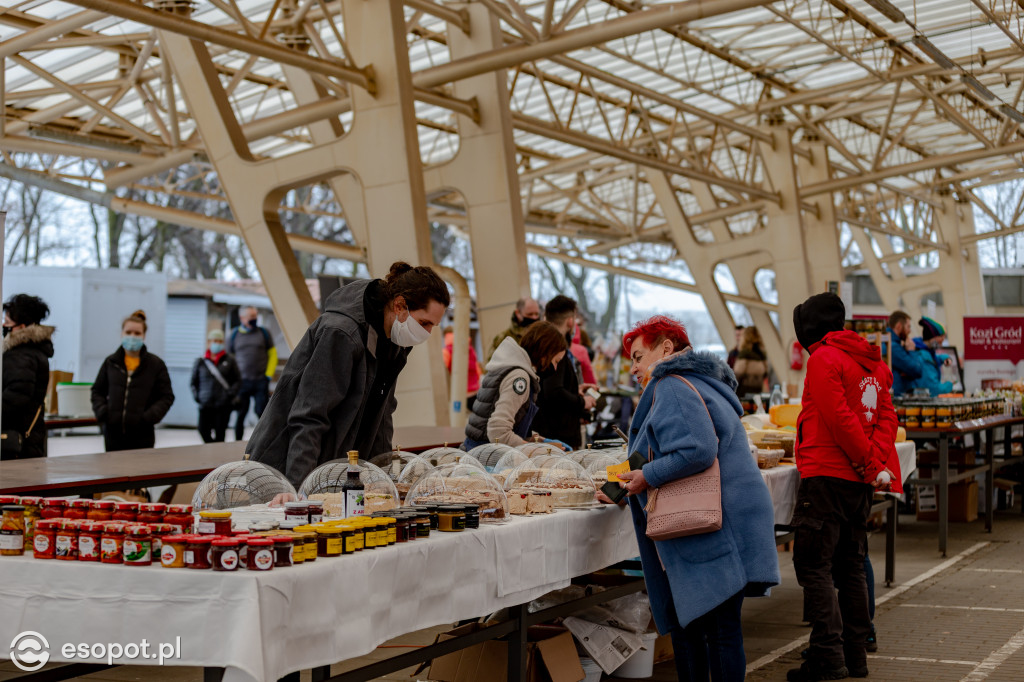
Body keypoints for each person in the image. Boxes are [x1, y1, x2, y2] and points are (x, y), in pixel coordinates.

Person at [602, 315, 779, 682]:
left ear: (666, 349)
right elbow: (666, 449)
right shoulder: (704, 381)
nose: (633, 368)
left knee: (702, 628)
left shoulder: (671, 384)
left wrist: (646, 477)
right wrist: (619, 486)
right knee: (719, 627)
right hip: (730, 518)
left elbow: (697, 449)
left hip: (711, 525)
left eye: (638, 356)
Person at [248, 262, 450, 489]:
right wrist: (299, 490)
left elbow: (382, 416)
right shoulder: (342, 333)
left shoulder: (395, 342)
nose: (427, 333)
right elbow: (310, 415)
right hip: (289, 468)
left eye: (433, 326)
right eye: (424, 323)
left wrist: (382, 482)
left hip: (335, 471)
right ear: (399, 305)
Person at [787, 292, 902, 682]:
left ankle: (826, 657)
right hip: (857, 482)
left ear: (810, 329)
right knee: (851, 565)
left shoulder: (823, 359)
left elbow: (838, 418)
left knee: (813, 565)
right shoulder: (874, 364)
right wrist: (873, 463)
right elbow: (887, 417)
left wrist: (868, 461)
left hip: (825, 476)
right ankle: (855, 657)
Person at [463, 322, 568, 449]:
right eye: (556, 361)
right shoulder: (519, 378)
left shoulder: (507, 368)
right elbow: (498, 432)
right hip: (486, 458)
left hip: (479, 451)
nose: (555, 368)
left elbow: (514, 426)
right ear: (545, 355)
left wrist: (539, 440)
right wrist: (535, 449)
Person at [91, 310, 174, 452]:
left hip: (143, 436)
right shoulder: (111, 362)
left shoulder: (155, 364)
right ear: (121, 333)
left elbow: (166, 396)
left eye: (137, 333)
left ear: (144, 336)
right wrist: (103, 413)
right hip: (112, 435)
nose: (132, 337)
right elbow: (97, 391)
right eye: (128, 332)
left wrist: (148, 418)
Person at [530, 295, 596, 449]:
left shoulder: (543, 347)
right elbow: (554, 391)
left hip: (551, 434)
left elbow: (549, 388)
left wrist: (575, 391)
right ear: (570, 321)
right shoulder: (556, 350)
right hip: (559, 441)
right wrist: (582, 402)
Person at [2, 294, 53, 460]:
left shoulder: (21, 355)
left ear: (21, 327)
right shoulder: (35, 351)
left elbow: (16, 397)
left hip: (17, 442)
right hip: (31, 439)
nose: (4, 325)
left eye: (7, 322)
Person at [228, 306, 278, 441]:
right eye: (251, 317)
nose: (254, 319)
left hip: (260, 381)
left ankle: (263, 442)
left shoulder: (264, 333)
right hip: (241, 382)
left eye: (255, 316)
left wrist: (268, 375)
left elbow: (273, 354)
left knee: (261, 413)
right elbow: (229, 358)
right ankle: (237, 442)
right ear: (242, 318)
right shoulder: (233, 335)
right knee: (241, 414)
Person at [191, 329, 242, 443]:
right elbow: (193, 382)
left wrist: (230, 394)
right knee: (203, 429)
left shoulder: (230, 360)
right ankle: (210, 448)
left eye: (220, 341)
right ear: (209, 342)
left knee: (220, 432)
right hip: (205, 403)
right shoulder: (201, 361)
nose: (217, 344)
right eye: (215, 341)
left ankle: (217, 455)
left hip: (223, 404)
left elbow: (238, 380)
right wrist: (198, 397)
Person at [909, 317, 954, 396]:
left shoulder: (923, 349)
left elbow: (934, 358)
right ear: (932, 338)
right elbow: (934, 388)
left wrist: (944, 358)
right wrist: (950, 384)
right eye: (940, 339)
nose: (941, 344)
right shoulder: (924, 358)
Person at [442, 328, 483, 411]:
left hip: (462, 394)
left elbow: (443, 371)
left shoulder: (446, 351)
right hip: (476, 390)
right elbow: (477, 369)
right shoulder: (469, 347)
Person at [887, 311, 921, 396]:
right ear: (899, 326)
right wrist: (911, 350)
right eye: (908, 327)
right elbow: (916, 370)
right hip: (897, 396)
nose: (909, 331)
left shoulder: (892, 343)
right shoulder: (893, 347)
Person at [731, 326, 773, 397]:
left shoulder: (744, 354)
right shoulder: (762, 355)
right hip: (757, 395)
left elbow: (736, 377)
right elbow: (766, 374)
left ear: (745, 338)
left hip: (743, 396)